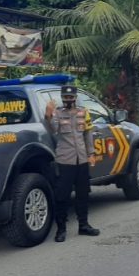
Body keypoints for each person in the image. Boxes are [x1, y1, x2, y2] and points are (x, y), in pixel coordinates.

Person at [44, 85, 100, 242]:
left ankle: (84, 225)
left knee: (83, 194)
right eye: (66, 97)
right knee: (62, 196)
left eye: (71, 97)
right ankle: (61, 229)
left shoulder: (84, 112)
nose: (69, 100)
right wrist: (48, 115)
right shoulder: (57, 113)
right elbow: (53, 130)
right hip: (65, 160)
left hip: (81, 160)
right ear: (62, 98)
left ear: (75, 98)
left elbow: (88, 133)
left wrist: (91, 153)